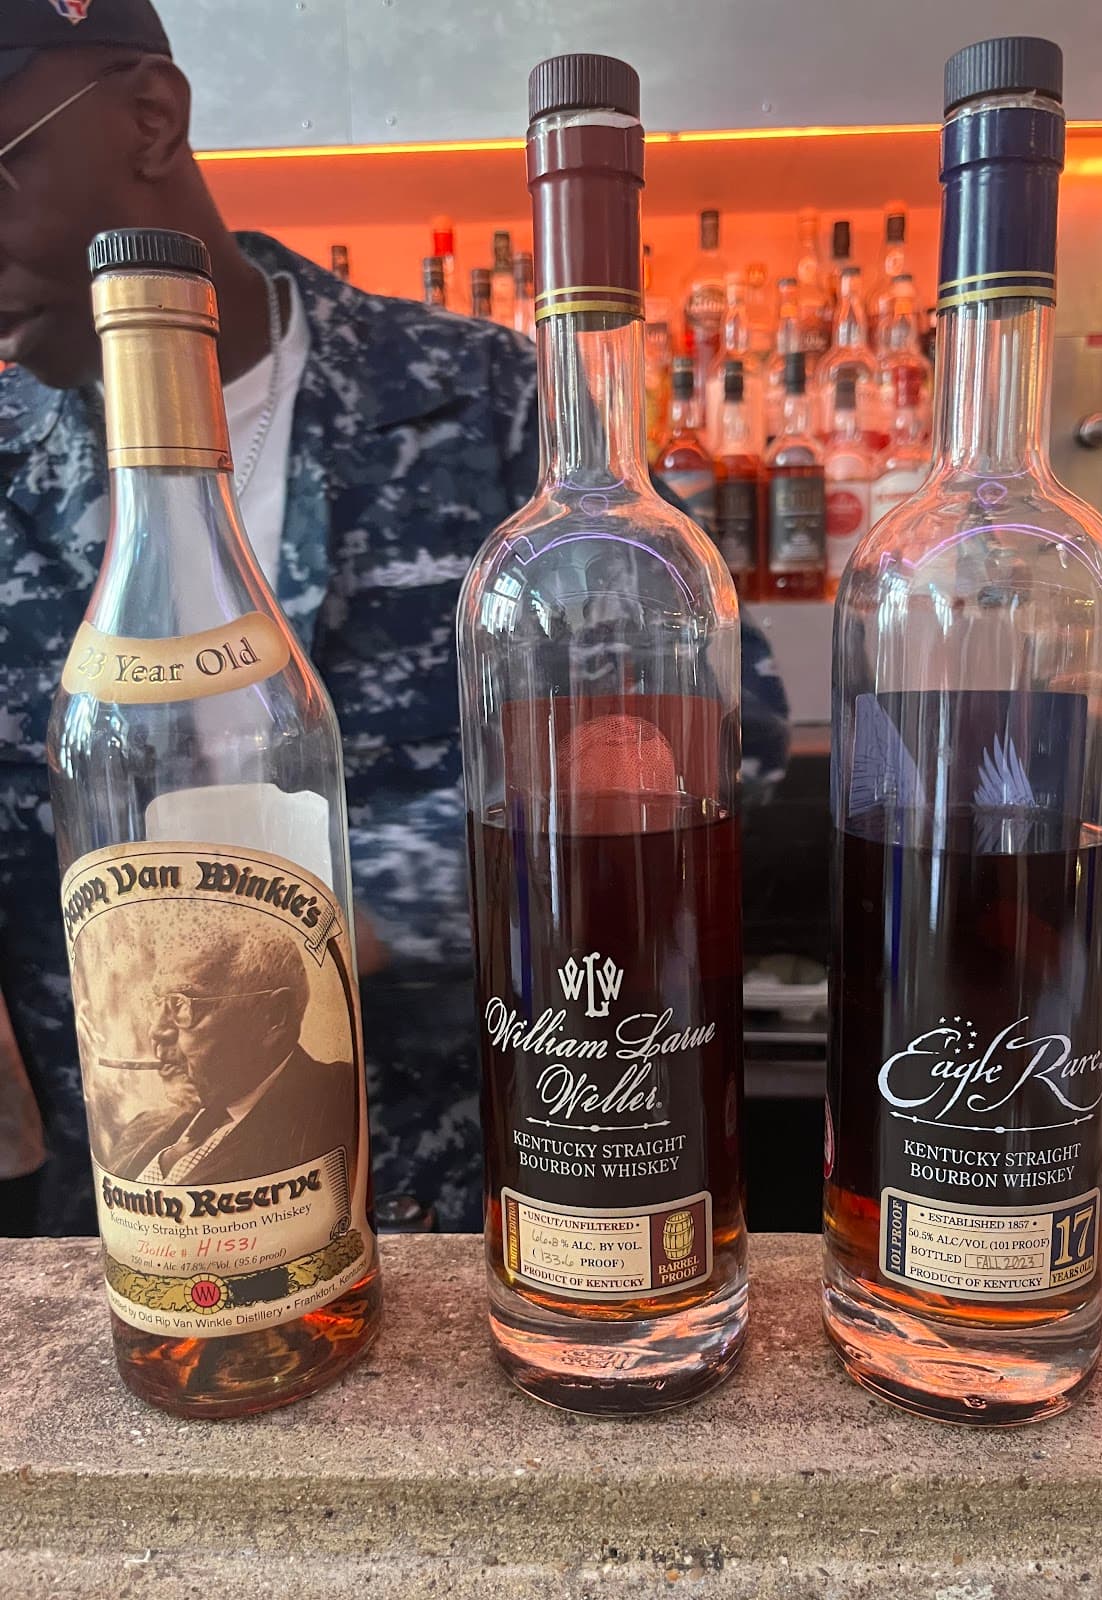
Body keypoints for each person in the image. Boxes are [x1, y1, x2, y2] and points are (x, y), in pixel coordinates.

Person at [0, 0, 790, 1236]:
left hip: (495, 1207)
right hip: (139, 1231)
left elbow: (724, 726)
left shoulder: (487, 410)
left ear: (147, 115)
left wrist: (338, 904)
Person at [103, 933, 358, 1188]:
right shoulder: (141, 1129)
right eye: (156, 1004)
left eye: (182, 1006)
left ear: (274, 1016)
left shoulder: (337, 1099)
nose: (156, 1031)